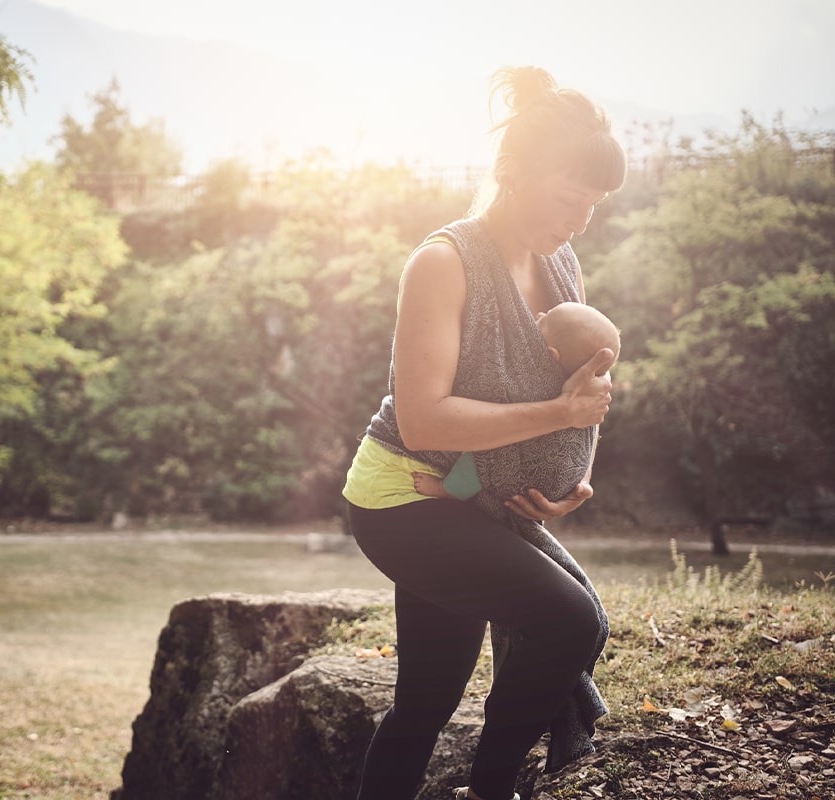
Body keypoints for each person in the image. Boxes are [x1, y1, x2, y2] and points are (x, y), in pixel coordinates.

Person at [341, 65, 626, 800]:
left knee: (427, 700)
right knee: (571, 621)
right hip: (403, 496)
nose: (580, 220)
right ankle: (494, 786)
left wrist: (565, 483)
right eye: (570, 197)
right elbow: (424, 418)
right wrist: (558, 418)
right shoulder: (441, 262)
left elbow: (570, 396)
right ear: (510, 172)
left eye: (593, 204)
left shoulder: (563, 266)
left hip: (477, 490)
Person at [412, 301, 621, 503]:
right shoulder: (586, 391)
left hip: (526, 468)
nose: (537, 316)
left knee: (479, 458)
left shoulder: (533, 382)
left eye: (545, 320)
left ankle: (449, 490)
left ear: (550, 355)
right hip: (565, 481)